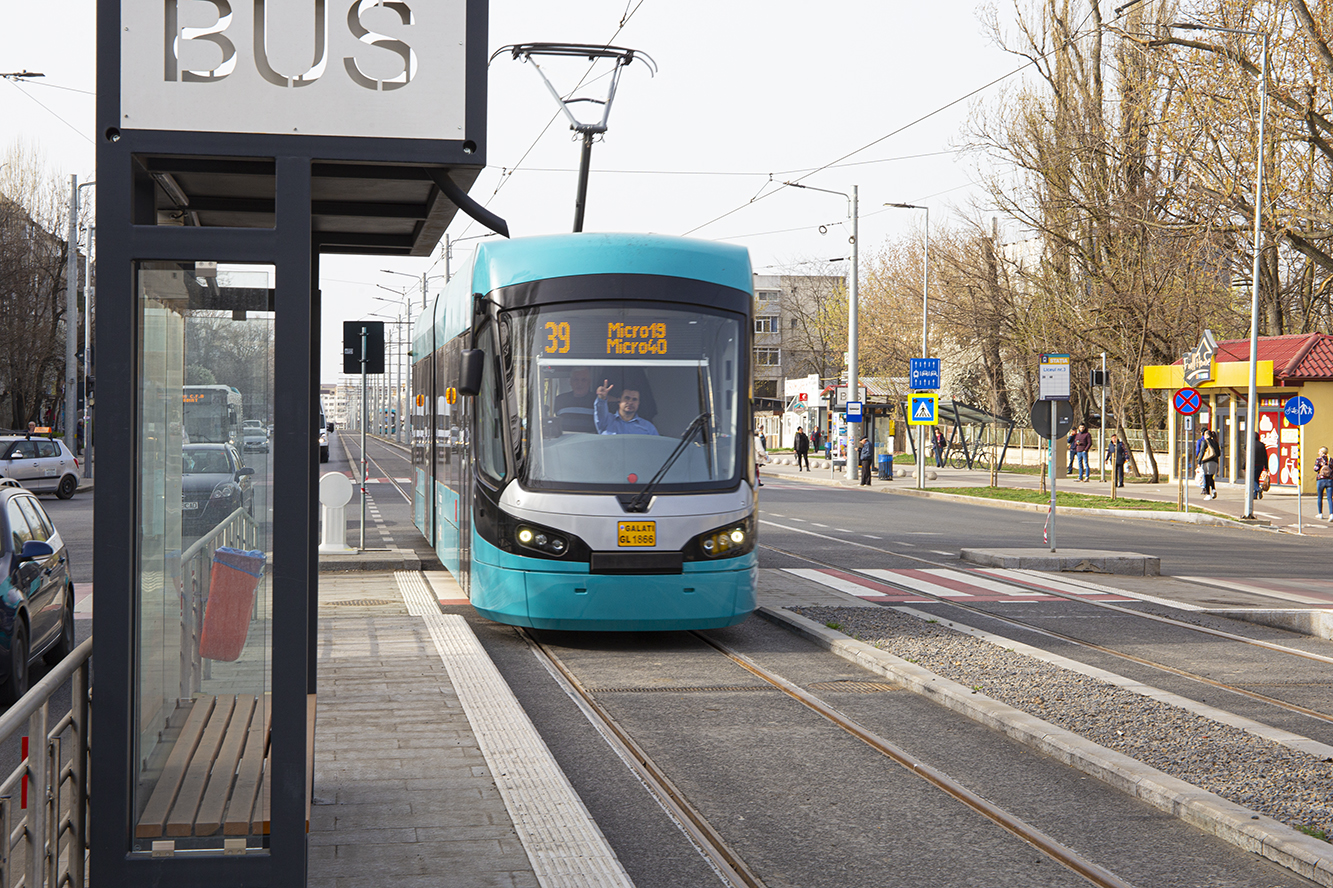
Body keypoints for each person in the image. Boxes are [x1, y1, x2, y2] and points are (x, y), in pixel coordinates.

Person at [594, 381, 658, 435]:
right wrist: (601, 398)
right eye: (627, 398)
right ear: (619, 400)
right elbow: (600, 409)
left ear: (639, 403)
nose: (630, 402)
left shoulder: (648, 427)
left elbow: (657, 447)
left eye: (634, 399)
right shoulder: (606, 420)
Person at [553, 367, 597, 433]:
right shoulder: (560, 400)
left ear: (589, 382)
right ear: (571, 382)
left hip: (590, 441)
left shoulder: (597, 401)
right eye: (576, 380)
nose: (579, 383)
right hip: (565, 441)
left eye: (584, 380)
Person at [1198, 427, 1221, 499]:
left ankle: (1208, 494)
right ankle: (1213, 490)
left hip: (1207, 462)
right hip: (1215, 462)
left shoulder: (1205, 442)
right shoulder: (1215, 442)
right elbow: (1219, 453)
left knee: (1206, 477)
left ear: (1207, 435)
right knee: (1211, 477)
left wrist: (1199, 461)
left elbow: (1201, 452)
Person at [1315, 446, 1333, 520]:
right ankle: (1331, 514)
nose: (1318, 453)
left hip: (1321, 480)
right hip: (1330, 480)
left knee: (1320, 497)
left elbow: (1315, 469)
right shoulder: (1330, 459)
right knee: (1329, 498)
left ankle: (1320, 513)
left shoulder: (1318, 459)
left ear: (1322, 452)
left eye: (1319, 451)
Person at [1252, 431, 1269, 500]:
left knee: (1253, 479)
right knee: (1256, 478)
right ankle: (1255, 494)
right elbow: (1265, 456)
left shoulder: (1251, 445)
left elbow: (1246, 457)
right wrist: (1266, 466)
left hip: (1253, 465)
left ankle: (1258, 489)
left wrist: (1244, 466)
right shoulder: (1262, 445)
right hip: (1260, 465)